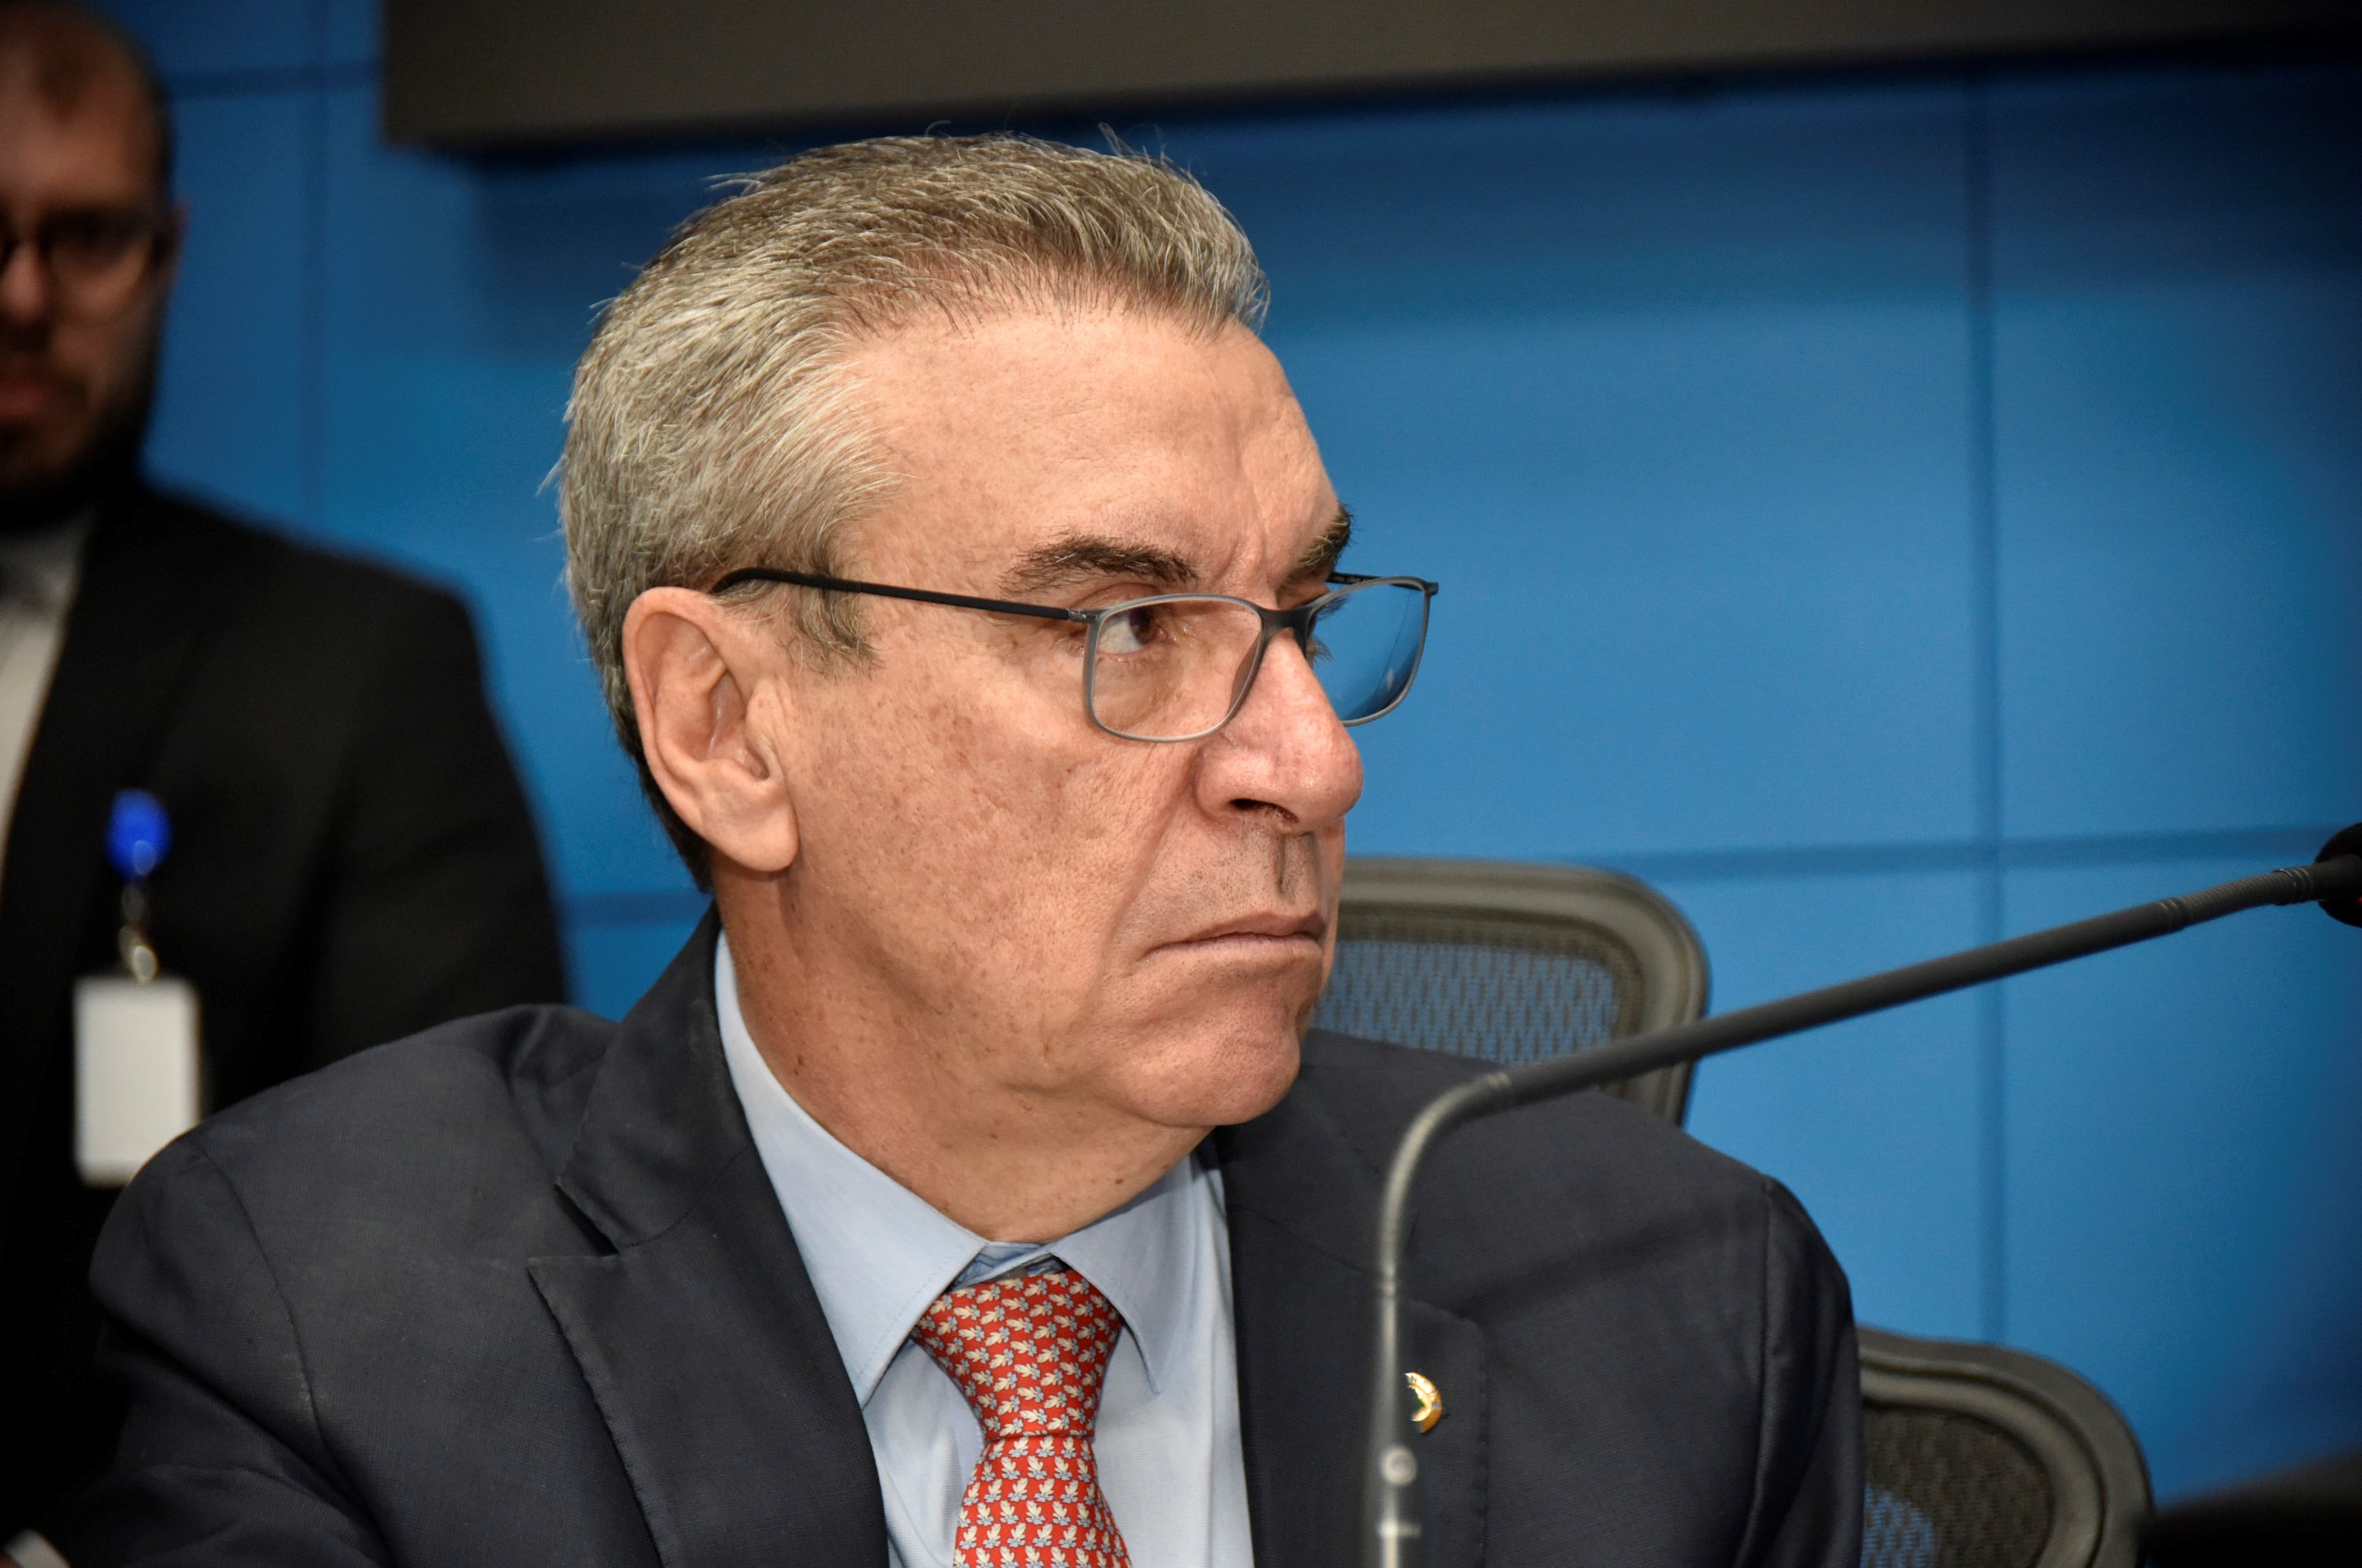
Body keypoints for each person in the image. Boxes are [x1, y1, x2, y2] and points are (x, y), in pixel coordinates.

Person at [53, 135, 1861, 1567]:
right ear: (728, 726)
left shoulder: (1679, 1313)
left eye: (1302, 620)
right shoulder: (318, 1323)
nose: (1316, 766)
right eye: (1129, 628)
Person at [0, 3, 567, 1551]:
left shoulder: (350, 669)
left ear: (167, 253)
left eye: (85, 238)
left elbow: (444, 1237)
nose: (23, 296)